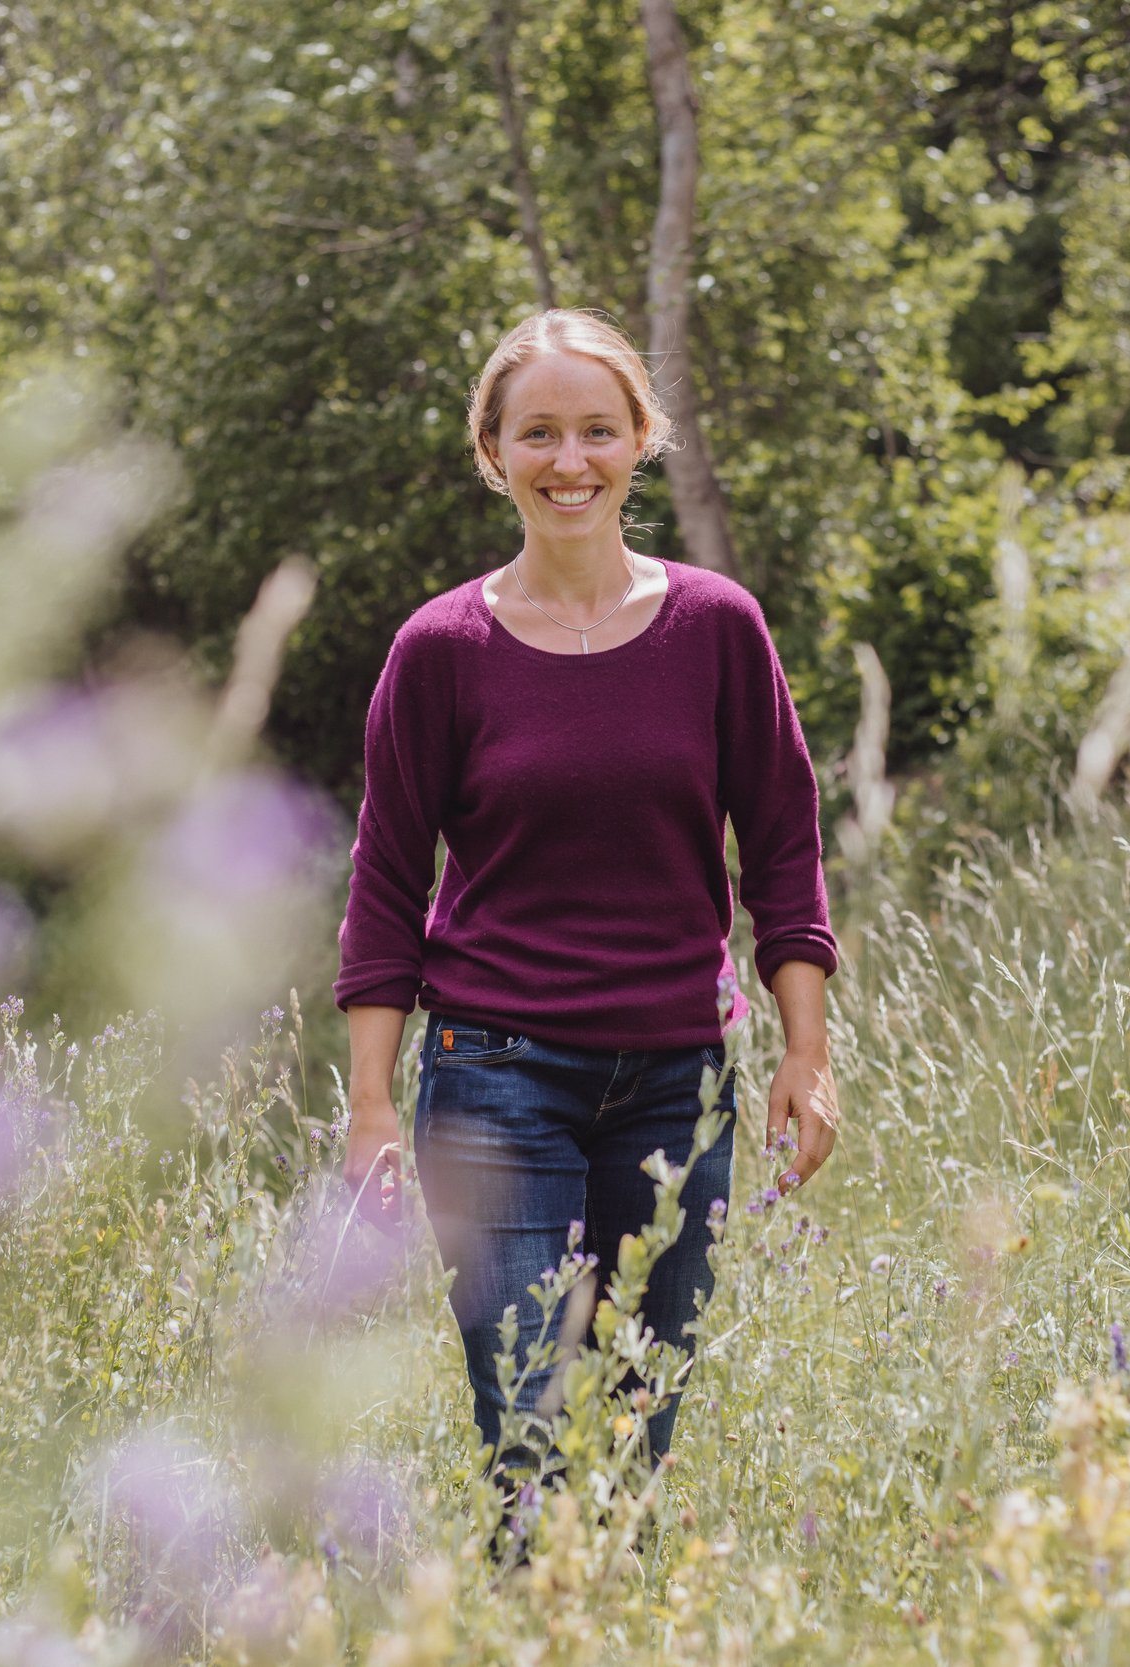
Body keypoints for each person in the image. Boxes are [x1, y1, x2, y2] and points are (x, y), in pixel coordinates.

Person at [334, 307, 842, 1497]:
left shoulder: (720, 627)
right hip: (493, 1076)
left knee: (634, 1433)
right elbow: (387, 878)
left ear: (641, 441)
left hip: (678, 1079)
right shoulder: (439, 649)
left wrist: (806, 1051)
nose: (571, 460)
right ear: (493, 451)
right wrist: (367, 1103)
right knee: (529, 1426)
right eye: (540, 433)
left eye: (599, 430)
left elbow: (781, 843)